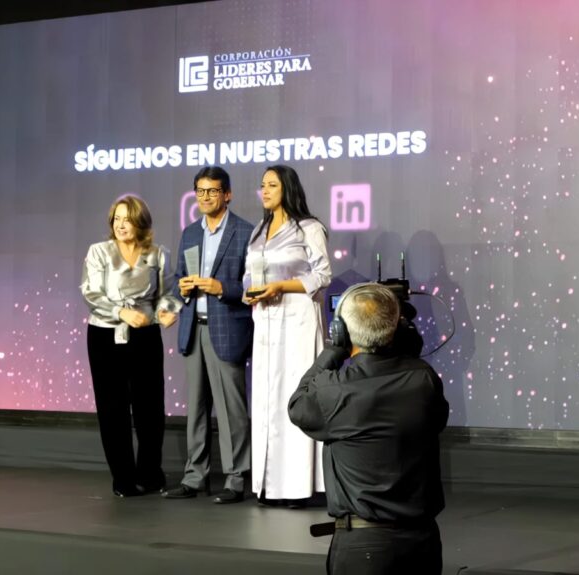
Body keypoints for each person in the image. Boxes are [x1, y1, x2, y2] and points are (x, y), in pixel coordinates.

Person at [288, 282, 449, 574]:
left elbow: (298, 405)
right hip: (422, 543)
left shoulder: (333, 391)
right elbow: (438, 420)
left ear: (341, 332)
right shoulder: (424, 380)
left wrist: (332, 352)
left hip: (362, 547)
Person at [162, 167, 254, 504]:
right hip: (193, 328)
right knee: (196, 408)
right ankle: (194, 477)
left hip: (227, 328)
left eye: (212, 191)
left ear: (227, 194)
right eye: (200, 191)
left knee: (231, 410)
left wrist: (221, 288)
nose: (205, 197)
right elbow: (178, 278)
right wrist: (181, 291)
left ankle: (235, 479)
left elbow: (252, 287)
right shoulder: (190, 232)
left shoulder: (245, 232)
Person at [80, 195, 180, 498]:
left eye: (128, 219)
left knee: (150, 408)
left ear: (141, 222)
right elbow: (91, 293)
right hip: (105, 336)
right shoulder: (98, 252)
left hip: (145, 335)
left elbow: (169, 292)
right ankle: (122, 478)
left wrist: (167, 311)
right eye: (117, 219)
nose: (121, 225)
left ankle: (150, 473)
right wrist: (120, 312)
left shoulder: (158, 254)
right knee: (113, 409)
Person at [243, 164, 331, 507]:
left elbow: (322, 275)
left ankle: (299, 486)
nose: (264, 191)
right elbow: (251, 275)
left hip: (298, 321)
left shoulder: (309, 228)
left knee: (295, 396)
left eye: (272, 185)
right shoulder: (258, 231)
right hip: (266, 322)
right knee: (268, 400)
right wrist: (250, 292)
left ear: (287, 189)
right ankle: (269, 485)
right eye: (262, 185)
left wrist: (281, 286)